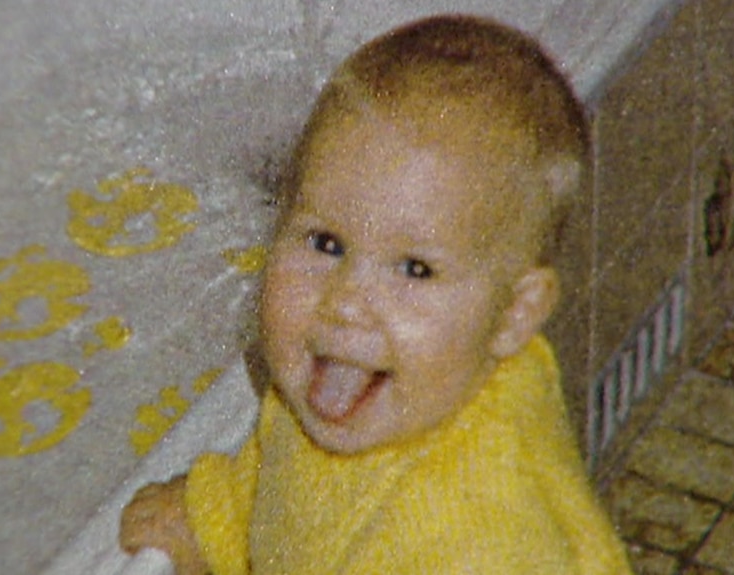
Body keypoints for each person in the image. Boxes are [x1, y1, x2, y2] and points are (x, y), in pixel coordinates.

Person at [121, 14, 633, 574]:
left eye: (414, 270)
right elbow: (288, 476)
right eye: (326, 243)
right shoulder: (372, 388)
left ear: (514, 313)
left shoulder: (478, 539)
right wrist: (212, 516)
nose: (344, 301)